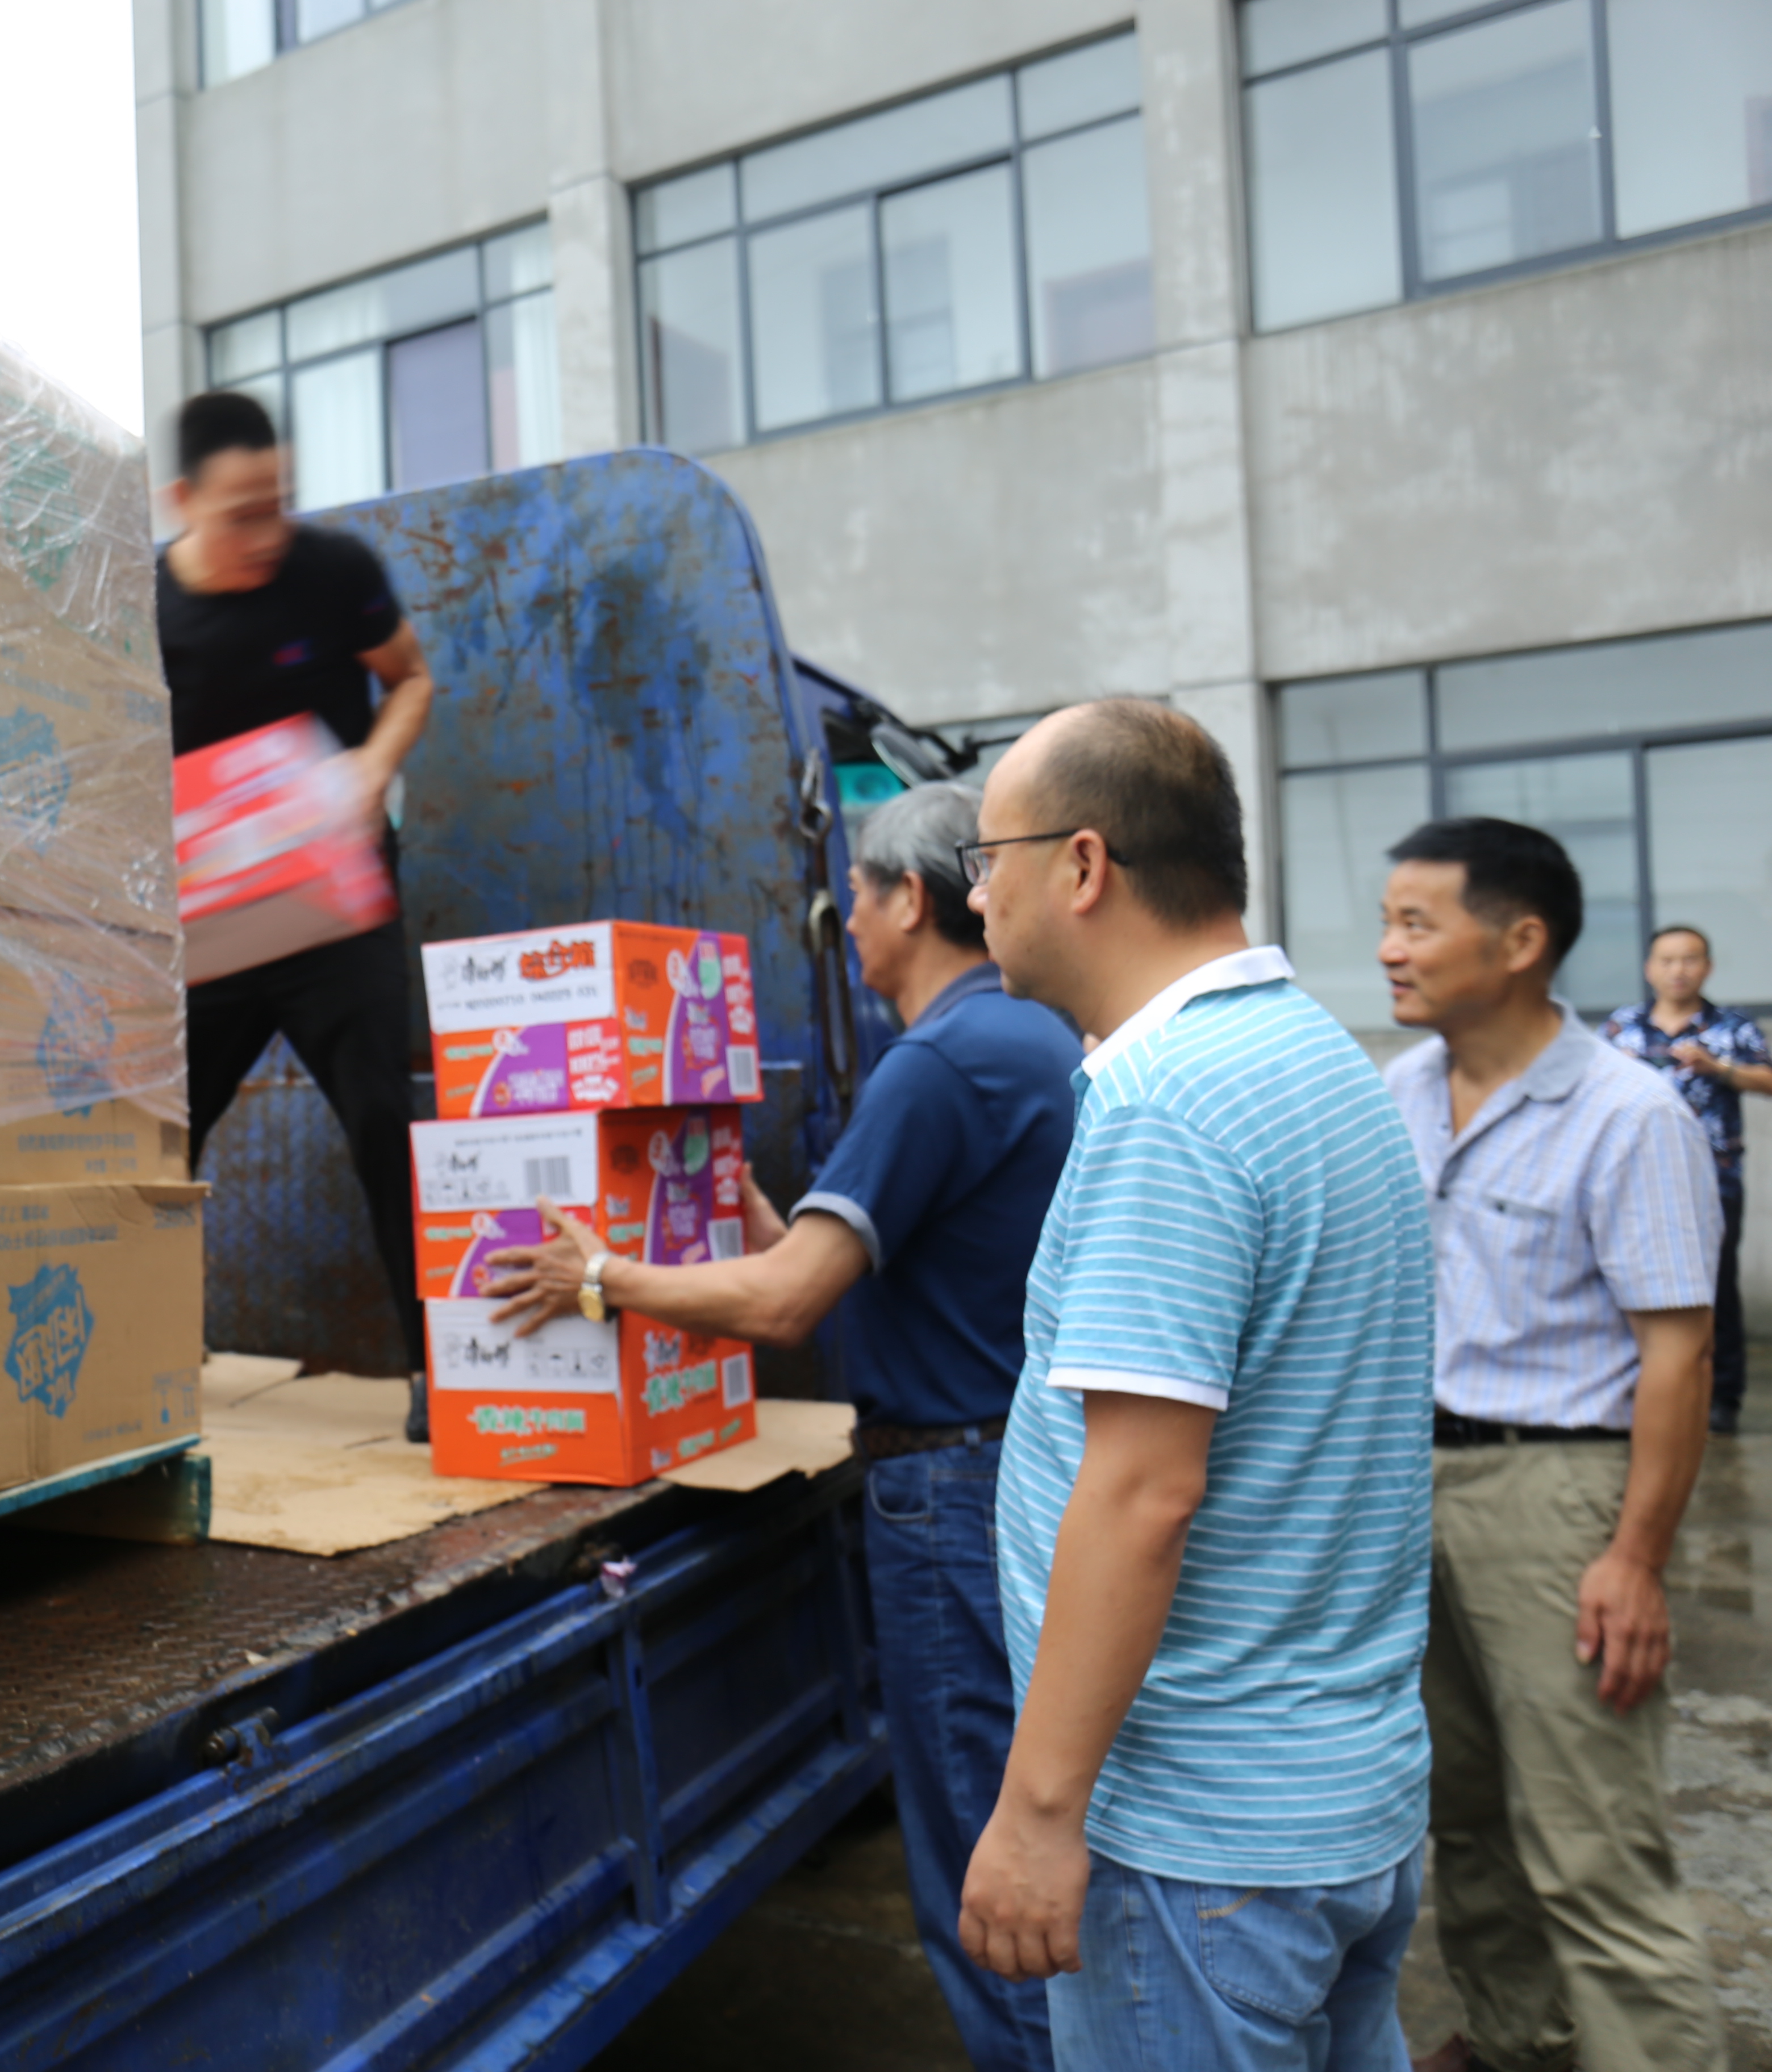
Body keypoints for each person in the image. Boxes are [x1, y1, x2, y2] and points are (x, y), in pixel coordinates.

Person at [486, 782, 1075, 2071]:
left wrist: (601, 1277)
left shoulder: (936, 1061)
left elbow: (787, 1302)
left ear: (907, 900)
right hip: (1014, 1463)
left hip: (954, 1489)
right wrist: (719, 1187)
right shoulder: (1022, 1034)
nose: (843, 924)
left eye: (850, 897)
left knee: (980, 1854)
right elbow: (859, 1258)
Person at [951, 700, 1436, 2070]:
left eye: (988, 858)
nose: (974, 895)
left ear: (1082, 865)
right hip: (1331, 1798)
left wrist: (1038, 1813)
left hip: (1198, 1842)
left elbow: (1142, 1492)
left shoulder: (1171, 1104)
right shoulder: (1316, 1058)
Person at [1377, 821, 1728, 2072]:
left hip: (1554, 1492)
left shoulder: (1630, 1115)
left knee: (1592, 1844)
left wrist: (1635, 1558)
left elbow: (1679, 1354)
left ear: (1520, 941)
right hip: (1411, 1485)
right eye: (1388, 920)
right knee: (1465, 1816)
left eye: (1415, 923)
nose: (1387, 949)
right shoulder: (1399, 1093)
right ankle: (1521, 2043)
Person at [161, 391, 440, 1433]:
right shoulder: (145, 611)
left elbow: (410, 680)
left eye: (277, 504)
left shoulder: (333, 571)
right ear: (183, 501)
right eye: (241, 513)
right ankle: (144, 1361)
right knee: (160, 1136)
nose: (266, 533)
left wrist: (371, 768)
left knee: (382, 1119)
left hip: (334, 910)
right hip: (215, 926)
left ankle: (439, 1369)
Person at [1602, 924, 1768, 1436]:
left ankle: (1722, 1397)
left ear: (1707, 967)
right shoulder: (1622, 1028)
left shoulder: (1731, 1028)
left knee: (1715, 1287)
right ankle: (1636, 1394)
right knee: (1632, 1285)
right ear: (1650, 969)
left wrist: (1719, 1069)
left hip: (1713, 1180)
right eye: (1668, 960)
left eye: (1690, 959)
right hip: (1635, 1180)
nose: (1679, 970)